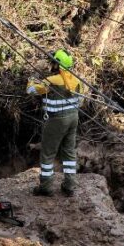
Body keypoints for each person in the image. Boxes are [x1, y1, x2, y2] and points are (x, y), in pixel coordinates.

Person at [26, 50, 82, 196]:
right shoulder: (76, 80)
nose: (51, 64)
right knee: (69, 152)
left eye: (53, 62)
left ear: (58, 65)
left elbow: (31, 90)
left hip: (56, 120)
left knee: (47, 153)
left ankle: (46, 187)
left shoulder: (51, 81)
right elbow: (80, 101)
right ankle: (69, 185)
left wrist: (31, 80)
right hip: (73, 119)